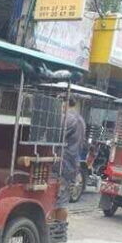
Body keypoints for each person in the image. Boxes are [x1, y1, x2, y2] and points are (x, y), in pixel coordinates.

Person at [52, 94, 86, 224]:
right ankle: (56, 228)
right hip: (70, 163)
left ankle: (58, 228)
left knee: (59, 201)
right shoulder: (80, 119)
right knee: (61, 199)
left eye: (61, 102)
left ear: (65, 103)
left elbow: (54, 135)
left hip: (62, 164)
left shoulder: (69, 118)